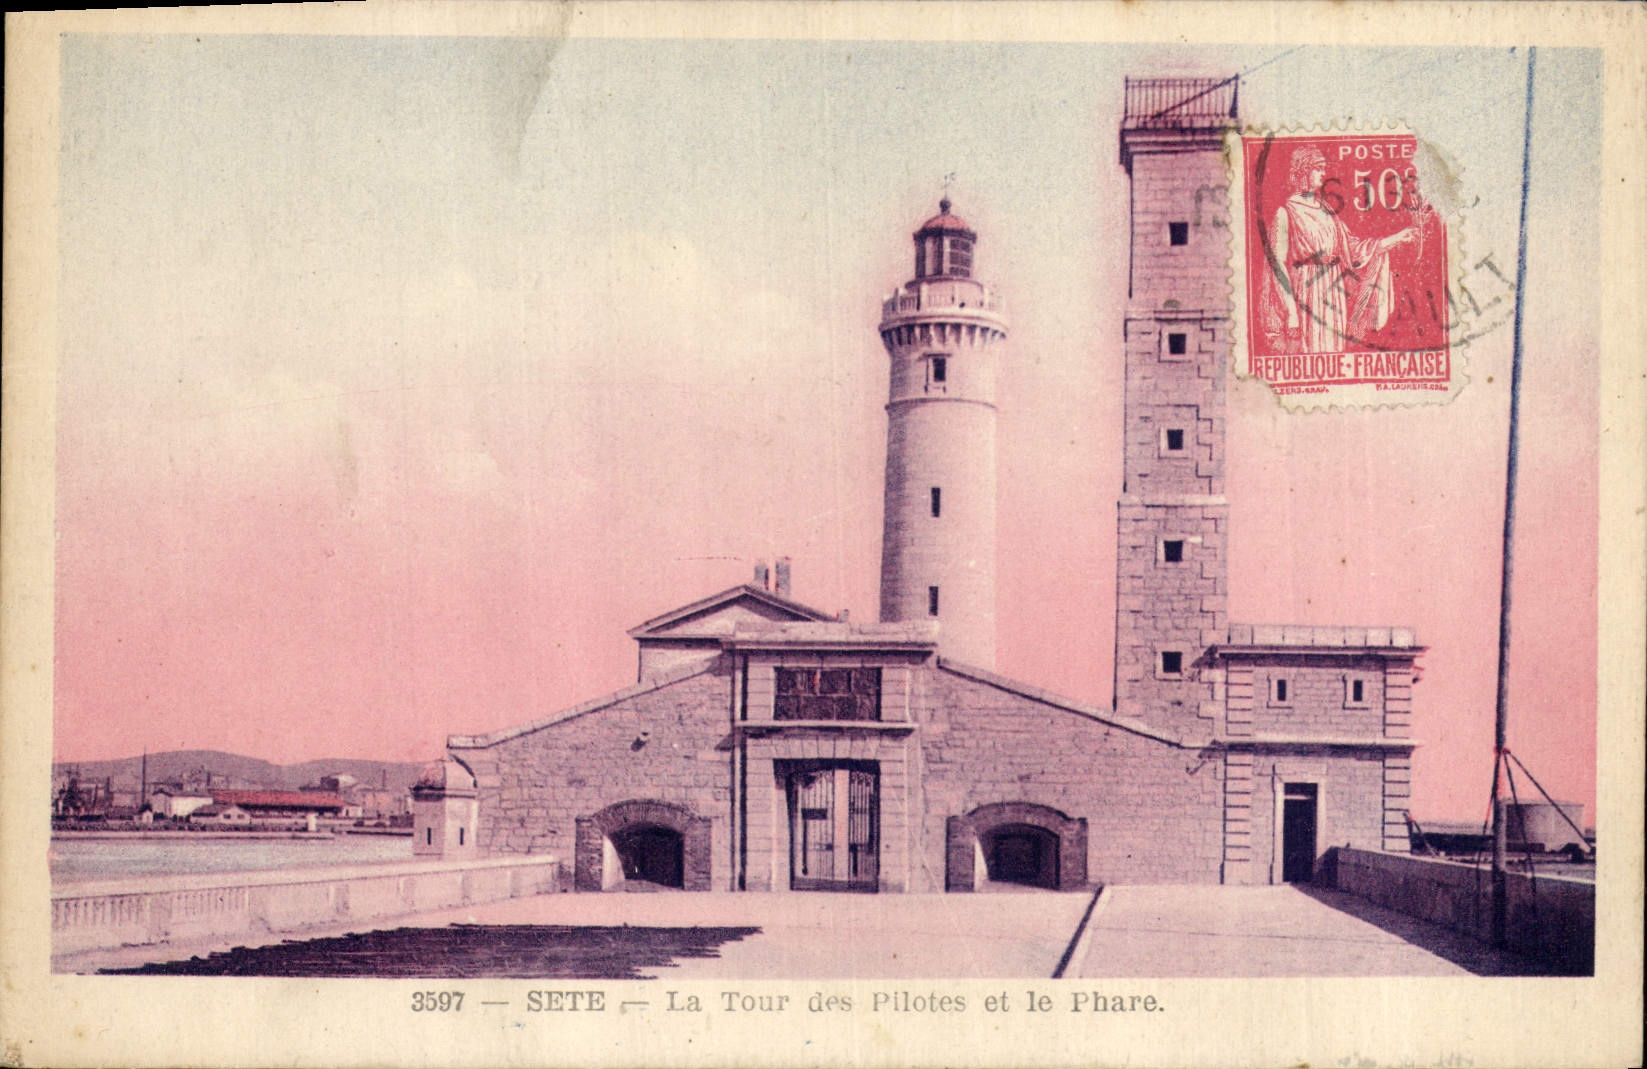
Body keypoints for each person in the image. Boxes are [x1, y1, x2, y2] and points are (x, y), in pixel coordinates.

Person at [1262, 146, 1420, 354]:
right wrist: (1291, 312)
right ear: (1304, 172)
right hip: (1307, 292)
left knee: (1334, 350)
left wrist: (1397, 238)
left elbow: (1354, 250)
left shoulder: (1328, 212)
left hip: (1333, 291)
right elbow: (1277, 265)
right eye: (1318, 169)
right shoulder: (1286, 213)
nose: (1323, 174)